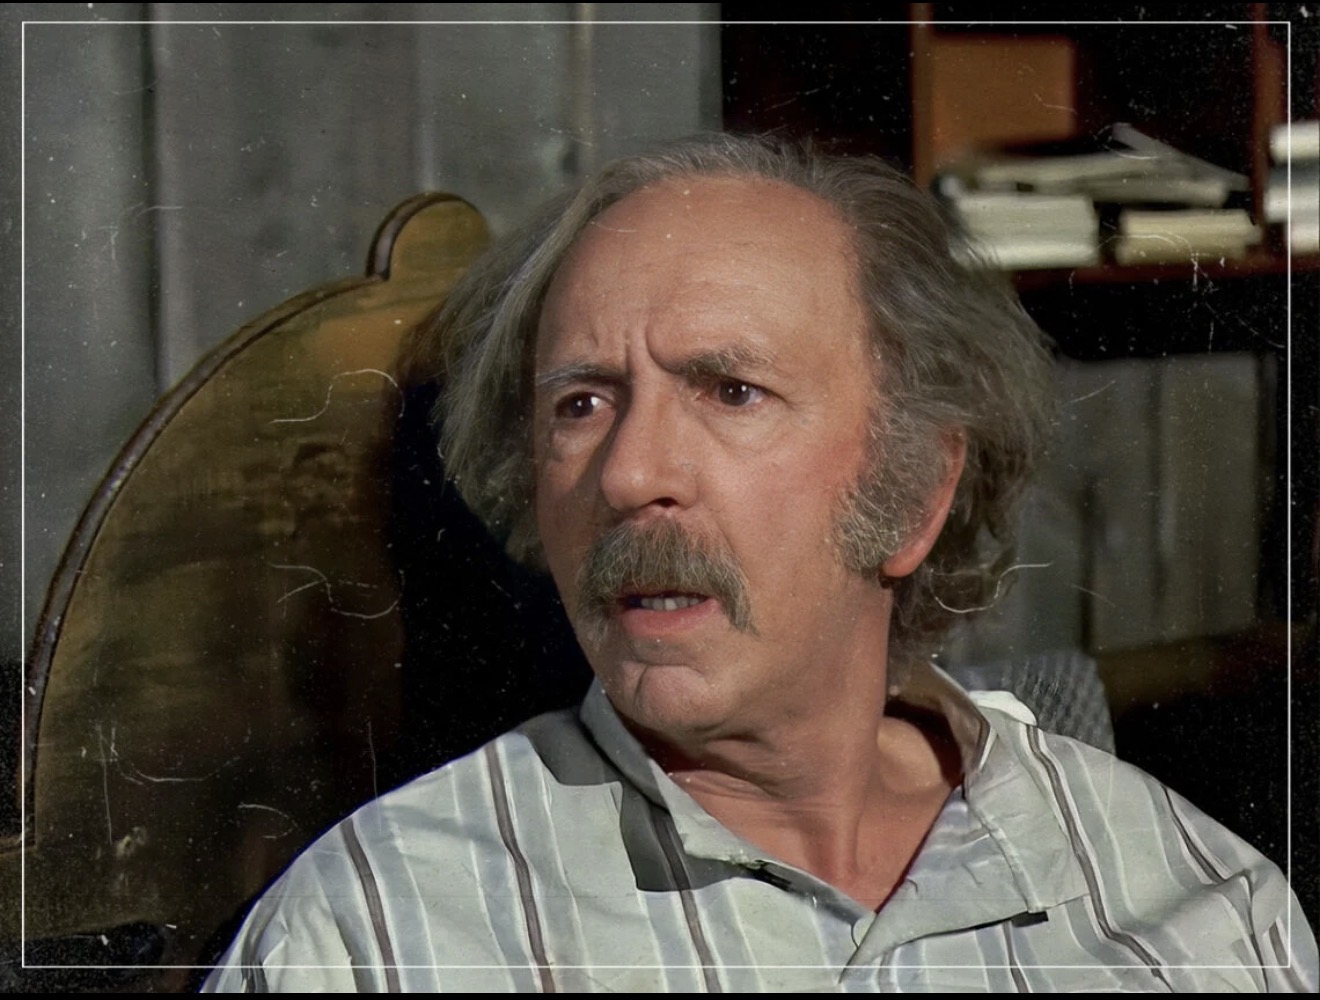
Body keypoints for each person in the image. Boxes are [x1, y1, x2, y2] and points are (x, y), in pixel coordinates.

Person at [204, 134, 1317, 992]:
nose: (630, 472)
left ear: (914, 491)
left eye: (731, 391)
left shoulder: (1197, 906)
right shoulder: (376, 937)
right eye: (582, 402)